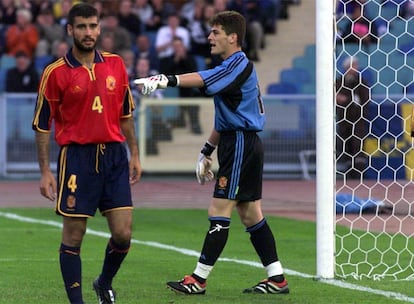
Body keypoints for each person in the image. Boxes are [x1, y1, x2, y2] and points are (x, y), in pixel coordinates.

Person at [135, 10, 288, 295]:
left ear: (233, 37)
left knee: (219, 209)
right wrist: (207, 150)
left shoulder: (238, 63)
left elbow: (205, 78)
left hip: (241, 142)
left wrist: (165, 79)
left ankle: (198, 279)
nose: (209, 37)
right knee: (251, 214)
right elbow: (224, 117)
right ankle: (277, 278)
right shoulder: (232, 69)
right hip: (239, 141)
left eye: (215, 32)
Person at [31, 3, 141, 304]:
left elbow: (126, 115)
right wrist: (44, 171)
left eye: (93, 26)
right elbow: (42, 125)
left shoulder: (117, 65)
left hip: (115, 156)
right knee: (74, 236)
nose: (89, 32)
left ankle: (103, 282)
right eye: (82, 26)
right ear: (70, 30)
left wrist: (134, 154)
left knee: (123, 234)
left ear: (99, 28)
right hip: (77, 159)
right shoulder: (54, 73)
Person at [336, 56, 370, 179]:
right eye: (352, 65)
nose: (354, 68)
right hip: (344, 120)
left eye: (355, 65)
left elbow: (363, 101)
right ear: (345, 67)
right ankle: (349, 174)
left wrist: (345, 100)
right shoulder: (339, 82)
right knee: (346, 146)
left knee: (358, 146)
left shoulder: (362, 82)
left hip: (358, 120)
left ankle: (359, 175)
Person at [162, 36, 203, 134]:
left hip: (187, 88)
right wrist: (176, 60)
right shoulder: (167, 59)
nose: (178, 48)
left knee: (194, 96)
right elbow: (166, 73)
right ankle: (177, 119)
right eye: (175, 46)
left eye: (179, 46)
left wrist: (184, 59)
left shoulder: (190, 59)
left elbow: (194, 72)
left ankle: (194, 123)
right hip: (173, 89)